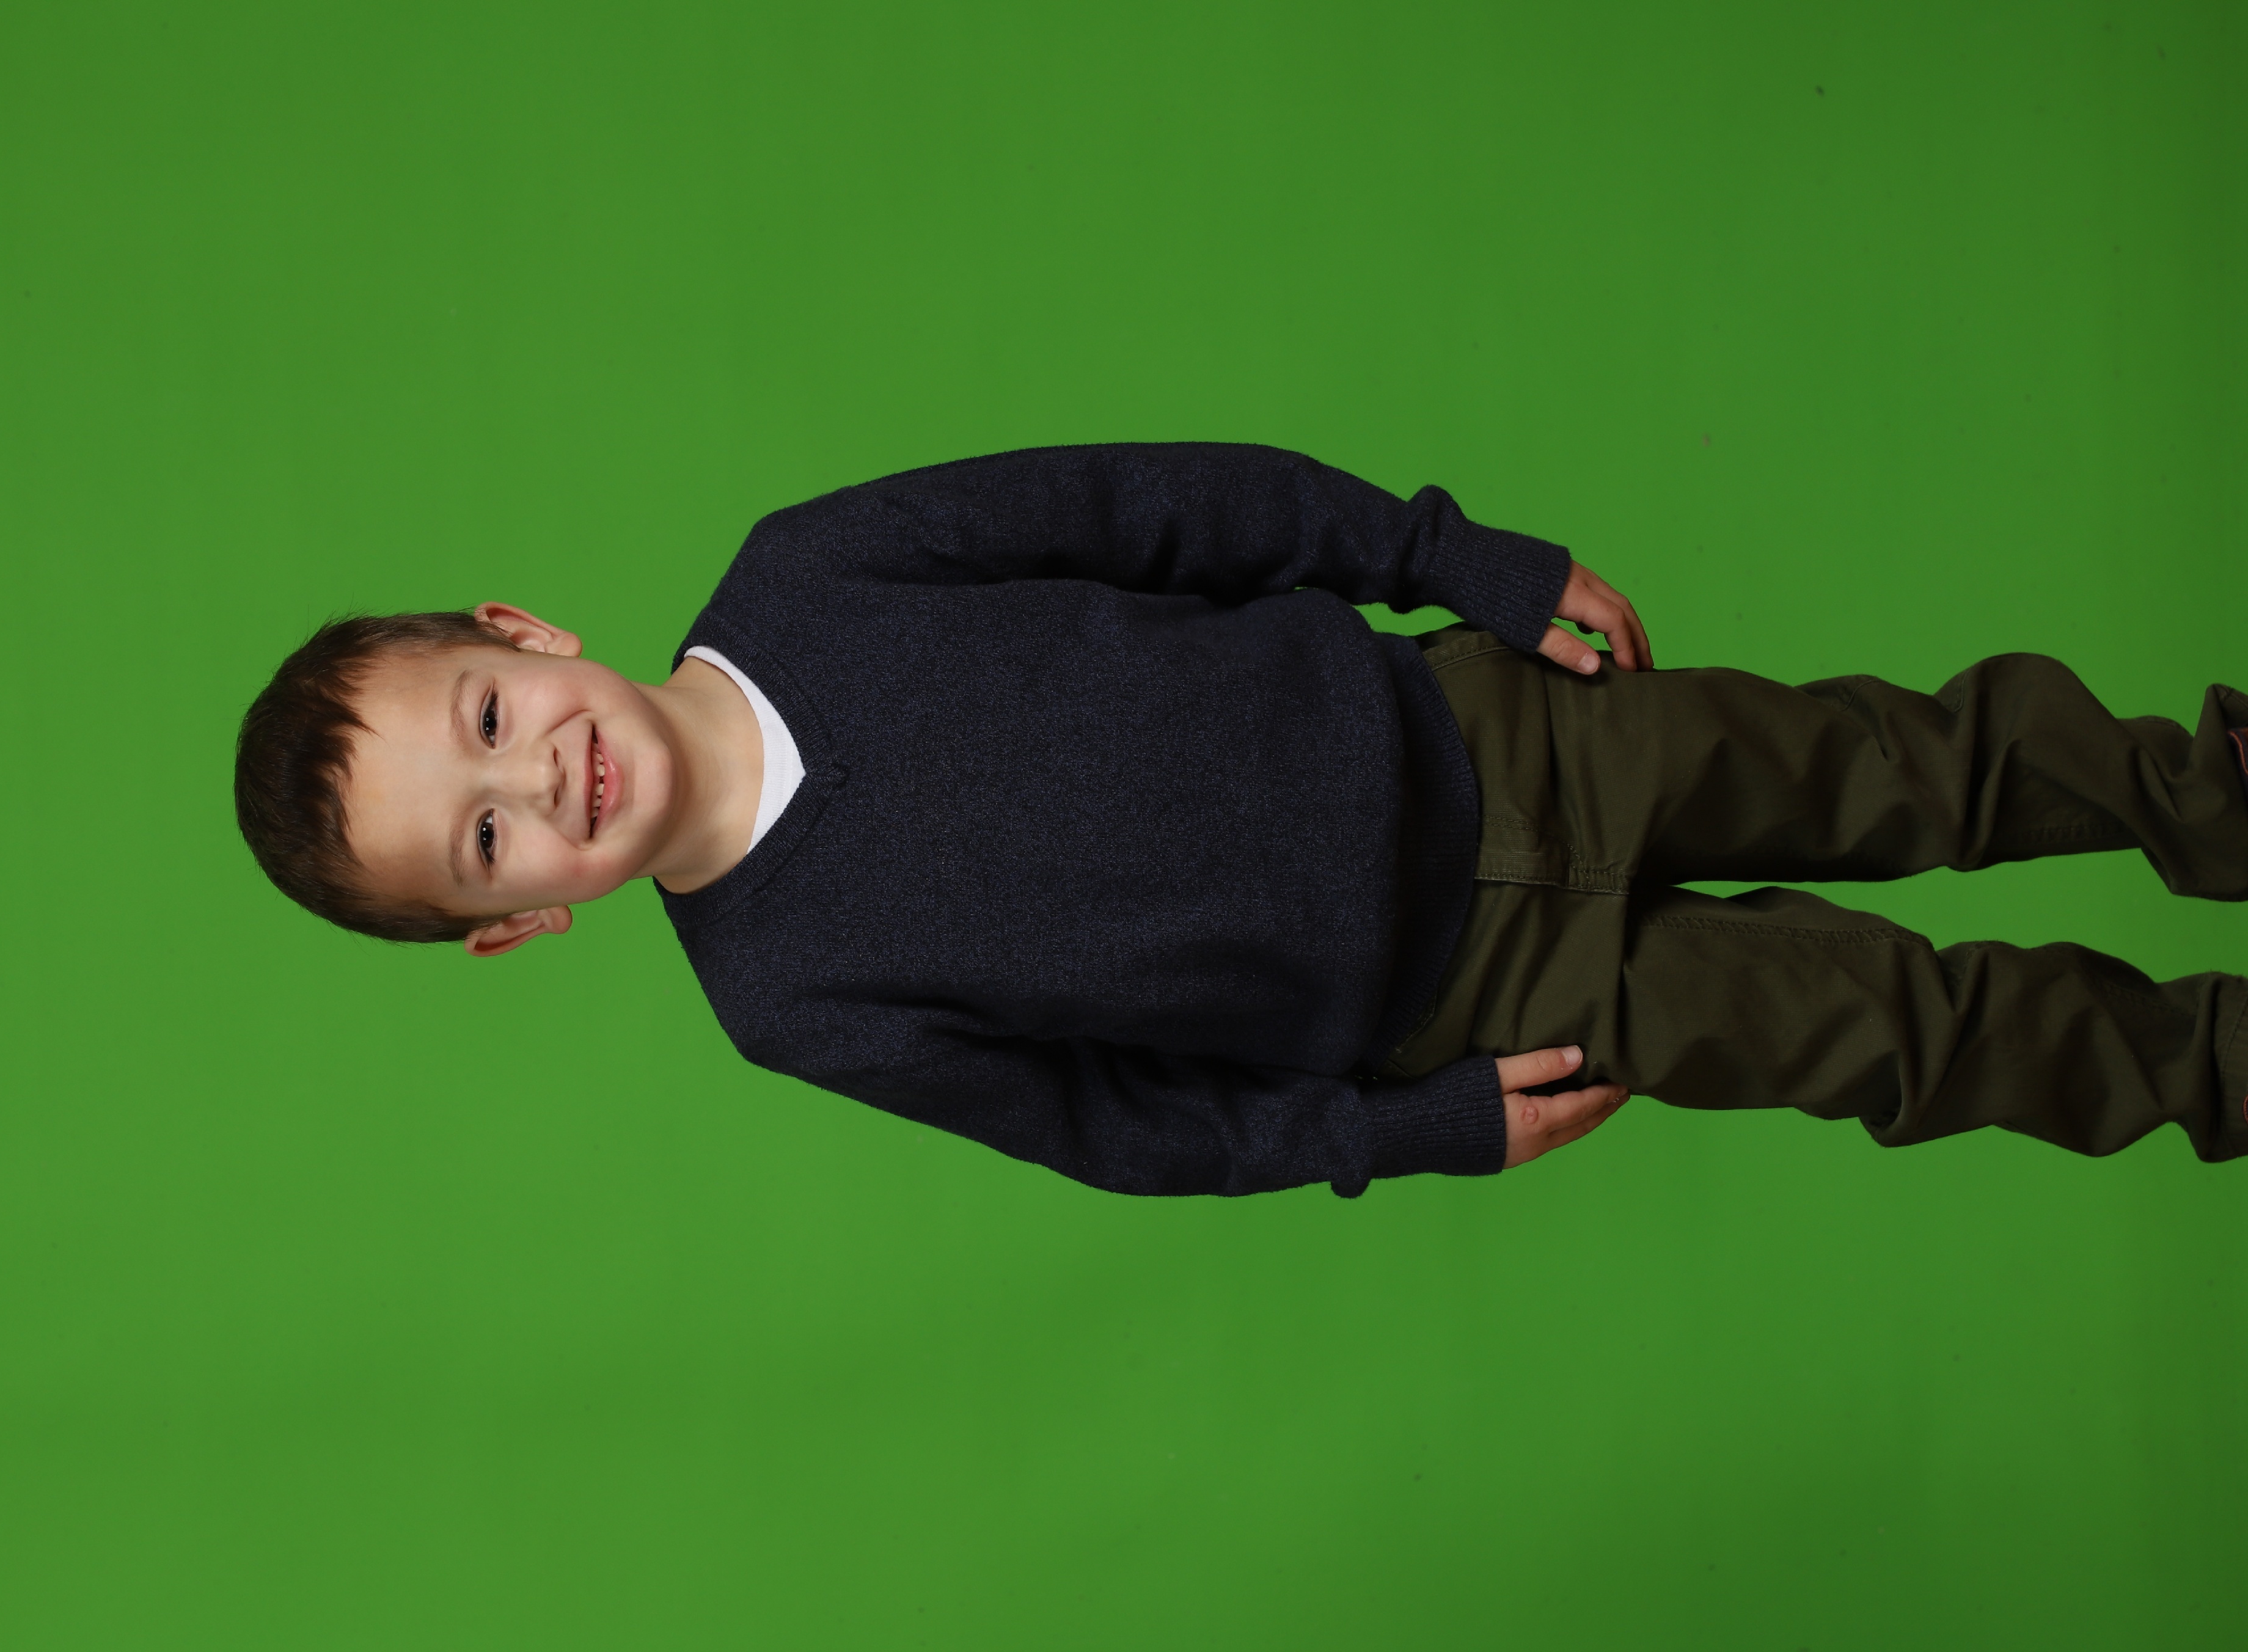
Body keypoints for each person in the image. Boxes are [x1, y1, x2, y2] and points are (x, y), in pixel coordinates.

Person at [233, 444, 2248, 1195]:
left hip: (1495, 738)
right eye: (485, 839)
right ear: (518, 924)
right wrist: (1400, 1133)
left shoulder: (813, 573)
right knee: (1890, 1033)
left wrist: (1449, 560)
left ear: (525, 633)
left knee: (1918, 763)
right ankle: (2214, 1067)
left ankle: (2212, 794)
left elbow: (1167, 507)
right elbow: (1114, 1127)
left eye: (488, 719)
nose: (537, 778)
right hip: (1480, 1002)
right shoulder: (790, 998)